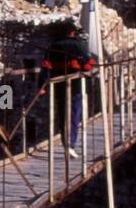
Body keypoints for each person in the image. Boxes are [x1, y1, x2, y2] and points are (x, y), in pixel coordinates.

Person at [37, 25, 97, 158]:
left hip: (58, 86)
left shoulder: (52, 47)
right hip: (75, 85)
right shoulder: (79, 46)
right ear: (72, 32)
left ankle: (66, 143)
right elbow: (89, 66)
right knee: (74, 115)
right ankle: (70, 144)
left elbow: (45, 68)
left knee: (62, 115)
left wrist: (41, 87)